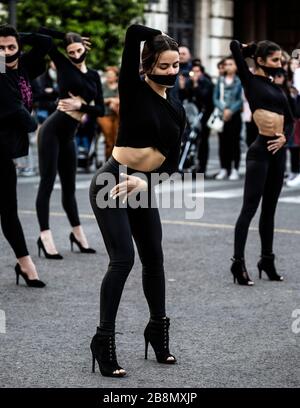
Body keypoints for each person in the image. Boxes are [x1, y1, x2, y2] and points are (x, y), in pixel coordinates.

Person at [89, 24, 186, 377]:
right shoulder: (132, 89)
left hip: (140, 186)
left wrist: (145, 181)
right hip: (112, 182)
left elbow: (174, 163)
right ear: (147, 67)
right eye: (164, 66)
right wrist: (160, 33)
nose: (172, 72)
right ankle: (103, 341)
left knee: (154, 259)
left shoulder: (177, 106)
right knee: (123, 259)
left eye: (176, 65)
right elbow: (132, 32)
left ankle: (157, 331)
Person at [35, 28, 105, 259]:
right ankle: (45, 237)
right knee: (46, 184)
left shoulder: (94, 75)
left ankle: (77, 234)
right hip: (51, 131)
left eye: (78, 50)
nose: (75, 55)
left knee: (70, 189)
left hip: (69, 135)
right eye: (71, 51)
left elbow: (101, 110)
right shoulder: (63, 65)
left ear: (85, 48)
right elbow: (40, 35)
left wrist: (80, 106)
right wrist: (66, 34)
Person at [230, 40, 293, 285]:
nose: (280, 64)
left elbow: (290, 119)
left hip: (279, 152)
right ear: (260, 60)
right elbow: (235, 46)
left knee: (270, 211)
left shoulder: (277, 87)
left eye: (281, 60)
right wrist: (252, 48)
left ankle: (267, 260)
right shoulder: (250, 80)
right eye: (275, 60)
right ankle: (238, 263)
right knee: (249, 209)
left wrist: (285, 137)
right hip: (259, 153)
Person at [0, 24, 52, 287]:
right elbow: (21, 116)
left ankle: (25, 263)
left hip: (5, 152)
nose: (6, 53)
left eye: (11, 47)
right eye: (0, 48)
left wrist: (20, 36)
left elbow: (44, 42)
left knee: (9, 212)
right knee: (8, 211)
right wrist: (32, 123)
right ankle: (27, 264)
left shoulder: (21, 66)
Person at [178, 62, 214, 176]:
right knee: (189, 141)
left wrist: (196, 84)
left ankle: (202, 168)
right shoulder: (189, 82)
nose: (195, 74)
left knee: (203, 143)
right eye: (193, 71)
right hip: (192, 116)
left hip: (204, 116)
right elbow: (185, 97)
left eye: (198, 71)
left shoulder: (207, 83)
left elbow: (205, 98)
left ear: (202, 72)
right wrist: (183, 87)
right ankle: (188, 165)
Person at [214, 56, 243, 180]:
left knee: (234, 143)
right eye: (226, 64)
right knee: (223, 143)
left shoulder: (240, 81)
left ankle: (235, 169)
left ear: (236, 66)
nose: (228, 66)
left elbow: (241, 100)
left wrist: (231, 110)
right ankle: (224, 168)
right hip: (221, 115)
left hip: (235, 116)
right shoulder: (220, 80)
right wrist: (223, 109)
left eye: (231, 64)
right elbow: (215, 98)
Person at [97, 66, 120, 161]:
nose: (109, 77)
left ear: (116, 77)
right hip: (105, 115)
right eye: (108, 75)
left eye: (111, 76)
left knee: (117, 140)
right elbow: (98, 99)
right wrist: (110, 100)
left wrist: (116, 101)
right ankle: (109, 161)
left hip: (118, 114)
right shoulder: (102, 86)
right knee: (109, 140)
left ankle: (117, 161)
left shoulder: (120, 85)